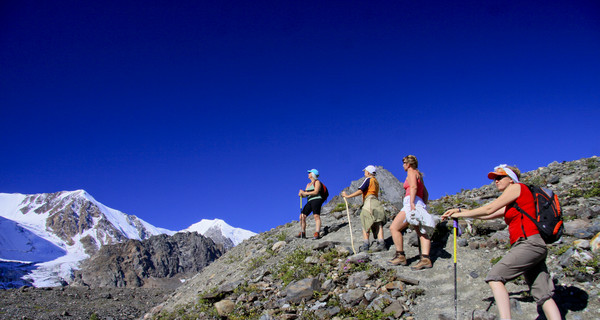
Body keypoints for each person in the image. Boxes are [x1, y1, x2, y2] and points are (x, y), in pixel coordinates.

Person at [442, 164, 561, 320]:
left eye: (499, 177)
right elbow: (488, 215)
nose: (496, 181)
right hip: (534, 245)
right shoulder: (516, 201)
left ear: (510, 179)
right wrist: (460, 212)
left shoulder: (516, 187)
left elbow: (489, 209)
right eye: (494, 179)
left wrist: (461, 213)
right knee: (543, 293)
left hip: (528, 243)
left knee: (495, 277)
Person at [388, 155, 433, 270]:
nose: (403, 165)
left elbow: (413, 187)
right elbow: (426, 193)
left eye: (404, 163)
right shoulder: (419, 175)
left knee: (394, 228)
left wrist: (412, 203)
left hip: (410, 203)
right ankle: (425, 258)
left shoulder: (411, 172)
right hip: (419, 202)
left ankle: (400, 255)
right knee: (421, 230)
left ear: (408, 164)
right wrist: (422, 204)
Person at [342, 165, 386, 252]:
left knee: (366, 221)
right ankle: (381, 243)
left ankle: (366, 244)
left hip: (368, 202)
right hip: (376, 202)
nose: (364, 173)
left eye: (365, 171)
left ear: (368, 172)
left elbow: (361, 190)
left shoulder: (368, 179)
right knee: (378, 222)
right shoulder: (376, 181)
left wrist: (348, 196)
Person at [298, 169, 323, 239]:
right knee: (302, 216)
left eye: (309, 173)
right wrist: (301, 194)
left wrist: (304, 193)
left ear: (313, 174)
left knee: (316, 216)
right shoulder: (308, 184)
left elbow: (316, 192)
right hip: (310, 201)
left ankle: (317, 233)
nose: (308, 174)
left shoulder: (317, 182)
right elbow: (305, 195)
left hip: (317, 200)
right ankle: (302, 232)